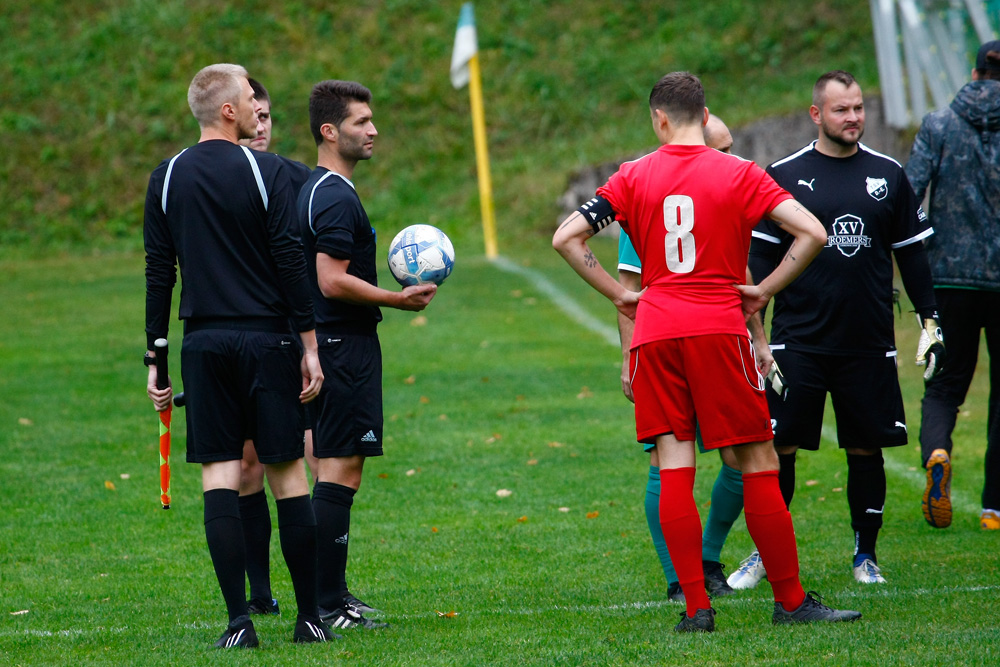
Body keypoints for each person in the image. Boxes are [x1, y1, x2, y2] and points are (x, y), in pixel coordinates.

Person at [554, 71, 860, 632]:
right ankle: (790, 603)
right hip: (720, 328)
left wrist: (623, 295)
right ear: (704, 113)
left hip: (657, 331)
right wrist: (765, 290)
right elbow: (812, 232)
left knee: (674, 466)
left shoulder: (631, 175)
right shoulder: (740, 172)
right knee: (759, 462)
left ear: (659, 119)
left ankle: (697, 609)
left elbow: (565, 238)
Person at [144, 63, 335, 647]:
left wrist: (156, 358)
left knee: (221, 478)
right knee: (288, 475)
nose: (259, 107)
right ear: (228, 110)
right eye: (251, 98)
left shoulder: (166, 176)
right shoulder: (264, 169)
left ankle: (239, 624)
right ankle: (309, 620)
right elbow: (288, 258)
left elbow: (159, 274)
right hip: (266, 340)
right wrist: (308, 345)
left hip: (203, 345)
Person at [732, 70, 943, 591]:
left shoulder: (889, 174)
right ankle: (764, 553)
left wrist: (930, 322)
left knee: (866, 449)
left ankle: (865, 555)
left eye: (858, 109)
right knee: (777, 450)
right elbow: (756, 262)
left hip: (867, 340)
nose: (853, 118)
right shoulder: (782, 173)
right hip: (796, 342)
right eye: (841, 110)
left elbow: (912, 255)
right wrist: (757, 337)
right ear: (816, 115)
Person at [297, 79, 436, 630]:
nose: (373, 129)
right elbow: (330, 280)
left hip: (324, 344)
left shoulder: (312, 188)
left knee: (332, 469)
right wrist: (396, 299)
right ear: (330, 131)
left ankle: (331, 597)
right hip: (341, 345)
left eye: (372, 120)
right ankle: (328, 606)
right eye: (360, 122)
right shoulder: (333, 195)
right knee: (340, 471)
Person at [617, 114, 763, 602]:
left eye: (728, 149)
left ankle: (704, 559)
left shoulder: (724, 189)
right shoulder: (645, 193)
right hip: (669, 345)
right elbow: (630, 291)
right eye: (719, 149)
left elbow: (739, 281)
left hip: (721, 342)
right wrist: (626, 359)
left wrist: (759, 341)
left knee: (740, 459)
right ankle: (679, 578)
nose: (726, 159)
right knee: (667, 459)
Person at [905, 41, 1000, 531]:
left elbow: (908, 193)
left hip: (949, 277)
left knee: (944, 386)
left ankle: (938, 452)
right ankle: (994, 508)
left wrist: (926, 240)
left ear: (973, 72)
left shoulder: (939, 125)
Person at [235, 77, 315, 617]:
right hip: (232, 341)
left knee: (298, 460)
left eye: (268, 117)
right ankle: (259, 593)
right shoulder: (206, 182)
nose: (261, 126)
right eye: (253, 116)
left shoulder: (295, 178)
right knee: (244, 468)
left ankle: (321, 593)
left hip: (287, 338)